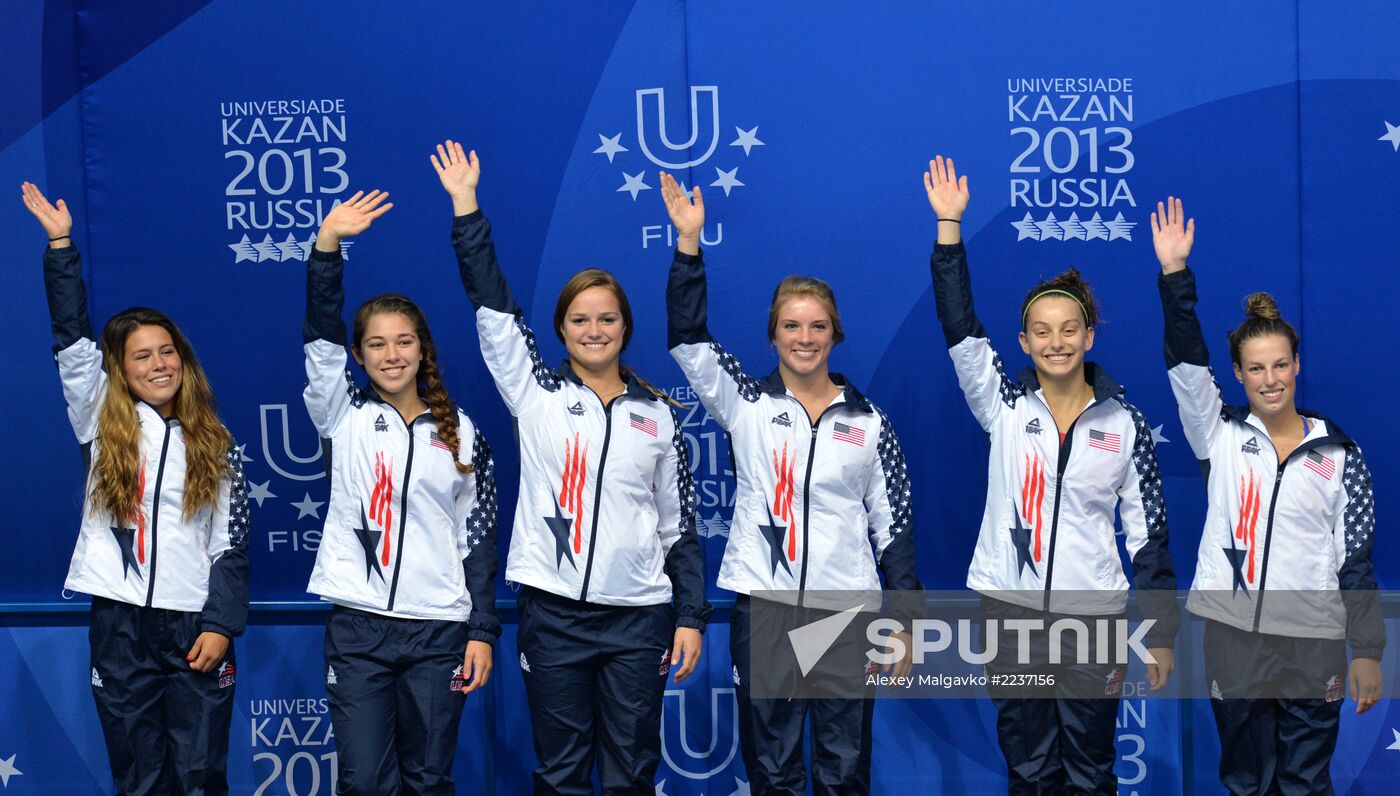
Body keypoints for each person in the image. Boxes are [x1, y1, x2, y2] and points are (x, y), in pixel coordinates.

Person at [435, 140, 709, 795]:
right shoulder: (535, 392)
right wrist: (467, 209)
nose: (594, 329)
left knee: (631, 774)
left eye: (607, 318)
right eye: (580, 319)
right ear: (560, 331)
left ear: (625, 326)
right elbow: (496, 312)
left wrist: (691, 616)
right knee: (561, 774)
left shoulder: (659, 415)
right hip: (553, 616)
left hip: (639, 617)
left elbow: (680, 530)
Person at [923, 157, 1178, 795]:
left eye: (1069, 330)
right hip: (1009, 613)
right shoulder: (1001, 405)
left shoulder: (1125, 424)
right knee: (1030, 769)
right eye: (1042, 332)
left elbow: (1149, 539)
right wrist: (949, 227)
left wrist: (1160, 632)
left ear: (1089, 336)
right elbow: (959, 327)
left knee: (1091, 772)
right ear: (1024, 341)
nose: (1056, 342)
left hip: (1093, 618)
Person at [661, 171, 920, 795]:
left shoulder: (868, 419)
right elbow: (689, 343)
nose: (805, 339)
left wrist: (904, 618)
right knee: (772, 770)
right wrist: (688, 248)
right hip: (767, 608)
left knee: (843, 770)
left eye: (817, 327)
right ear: (773, 334)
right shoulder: (746, 403)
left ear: (835, 334)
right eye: (792, 327)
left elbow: (894, 525)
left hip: (848, 611)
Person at [23, 181, 250, 795]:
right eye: (141, 356)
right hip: (119, 625)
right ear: (119, 370)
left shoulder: (216, 442)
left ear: (184, 359)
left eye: (167, 351)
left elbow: (230, 543)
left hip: (193, 624)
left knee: (199, 775)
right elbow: (72, 344)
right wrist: (61, 247)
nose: (158, 364)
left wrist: (220, 625)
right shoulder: (98, 416)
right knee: (141, 777)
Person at [1151, 196, 1382, 795]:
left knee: (1305, 782)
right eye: (1255, 369)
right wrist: (1176, 278)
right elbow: (1184, 367)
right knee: (1249, 781)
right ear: (1236, 374)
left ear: (1297, 365)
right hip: (1234, 636)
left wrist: (1367, 650)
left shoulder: (1340, 454)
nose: (1270, 379)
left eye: (1280, 365)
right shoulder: (1217, 435)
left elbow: (1354, 562)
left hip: (1316, 642)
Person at [302, 189, 499, 795]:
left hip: (440, 631)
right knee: (363, 781)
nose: (392, 354)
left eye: (405, 341)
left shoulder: (463, 433)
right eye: (377, 344)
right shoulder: (341, 414)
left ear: (424, 349)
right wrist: (327, 246)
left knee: (429, 778)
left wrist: (481, 631)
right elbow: (319, 336)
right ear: (358, 355)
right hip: (359, 631)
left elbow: (479, 541)